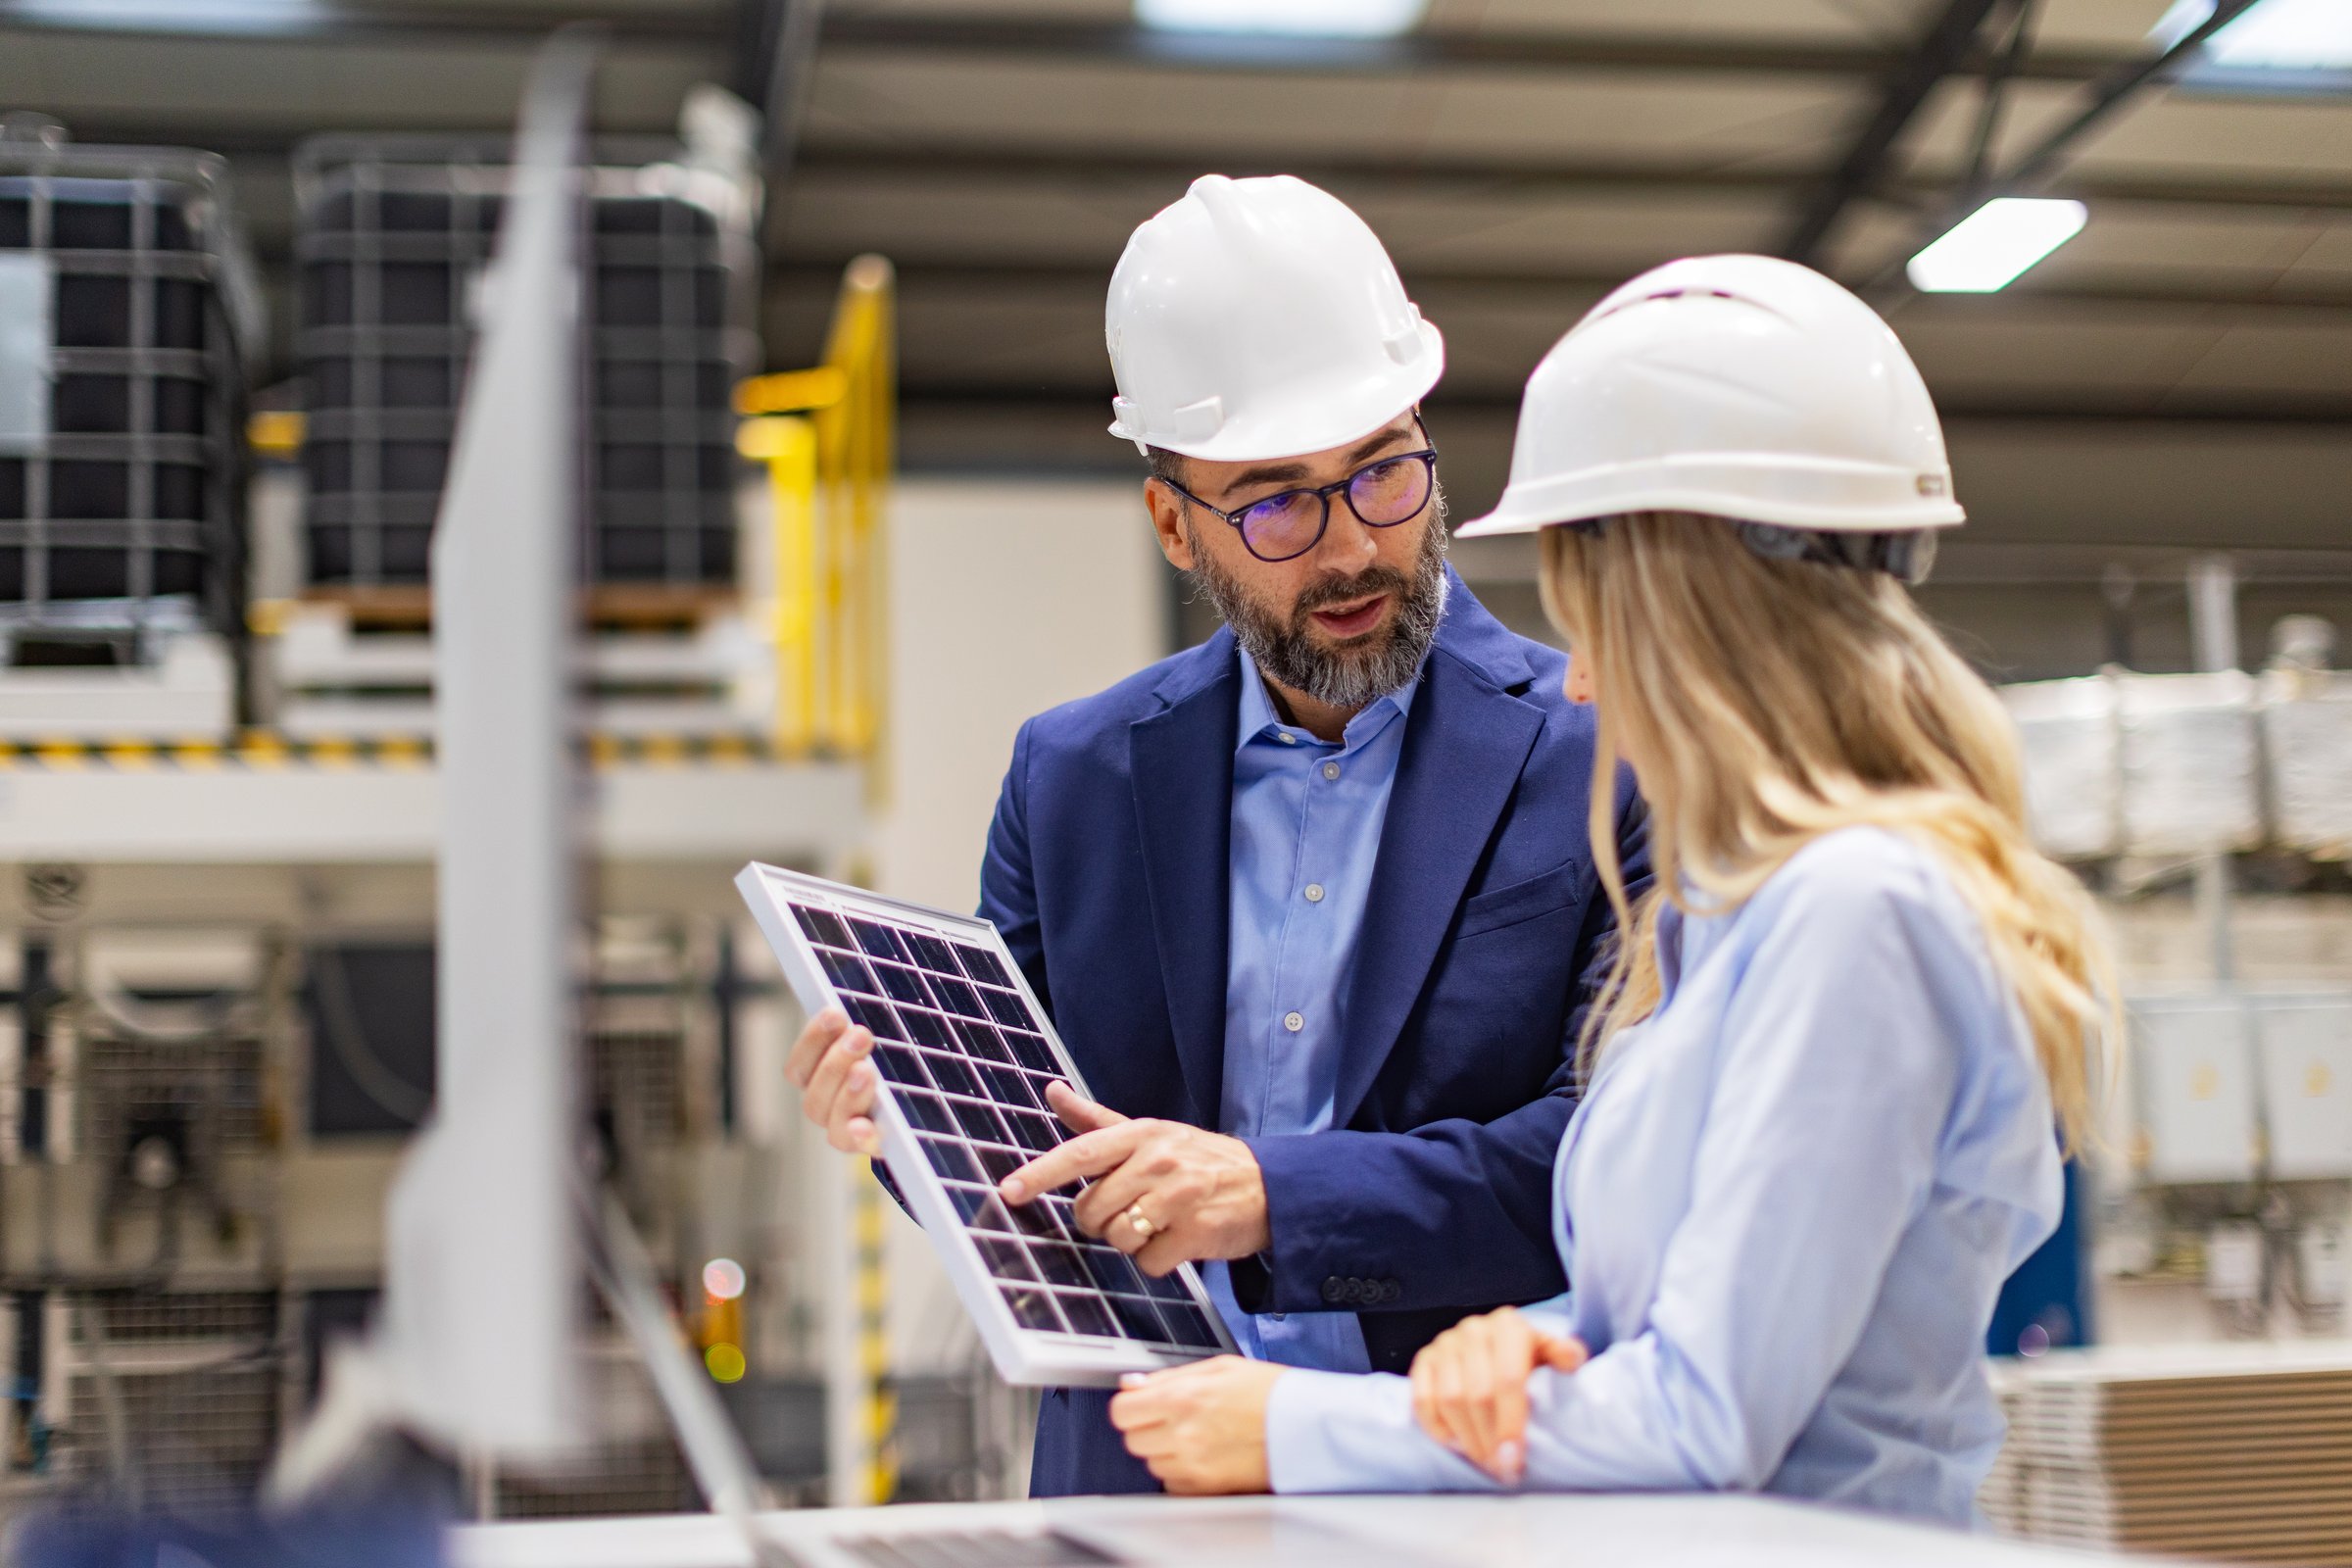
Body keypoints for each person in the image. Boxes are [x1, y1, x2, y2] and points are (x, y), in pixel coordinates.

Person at [1104, 254, 2117, 1526]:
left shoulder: (1866, 916)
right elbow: (1663, 1324)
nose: (1575, 683)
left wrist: (1299, 1423)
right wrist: (1520, 1349)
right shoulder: (1726, 918)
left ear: (1690, 618)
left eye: (1596, 625)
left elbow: (1710, 1416)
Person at [783, 173, 1647, 1495]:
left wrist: (1272, 1196)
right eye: (1279, 503)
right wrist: (912, 1123)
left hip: (1452, 1483)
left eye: (1385, 473)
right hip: (1138, 1486)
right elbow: (1030, 1156)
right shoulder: (1071, 776)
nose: (1355, 547)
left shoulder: (1600, 756)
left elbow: (1614, 1159)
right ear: (1175, 523)